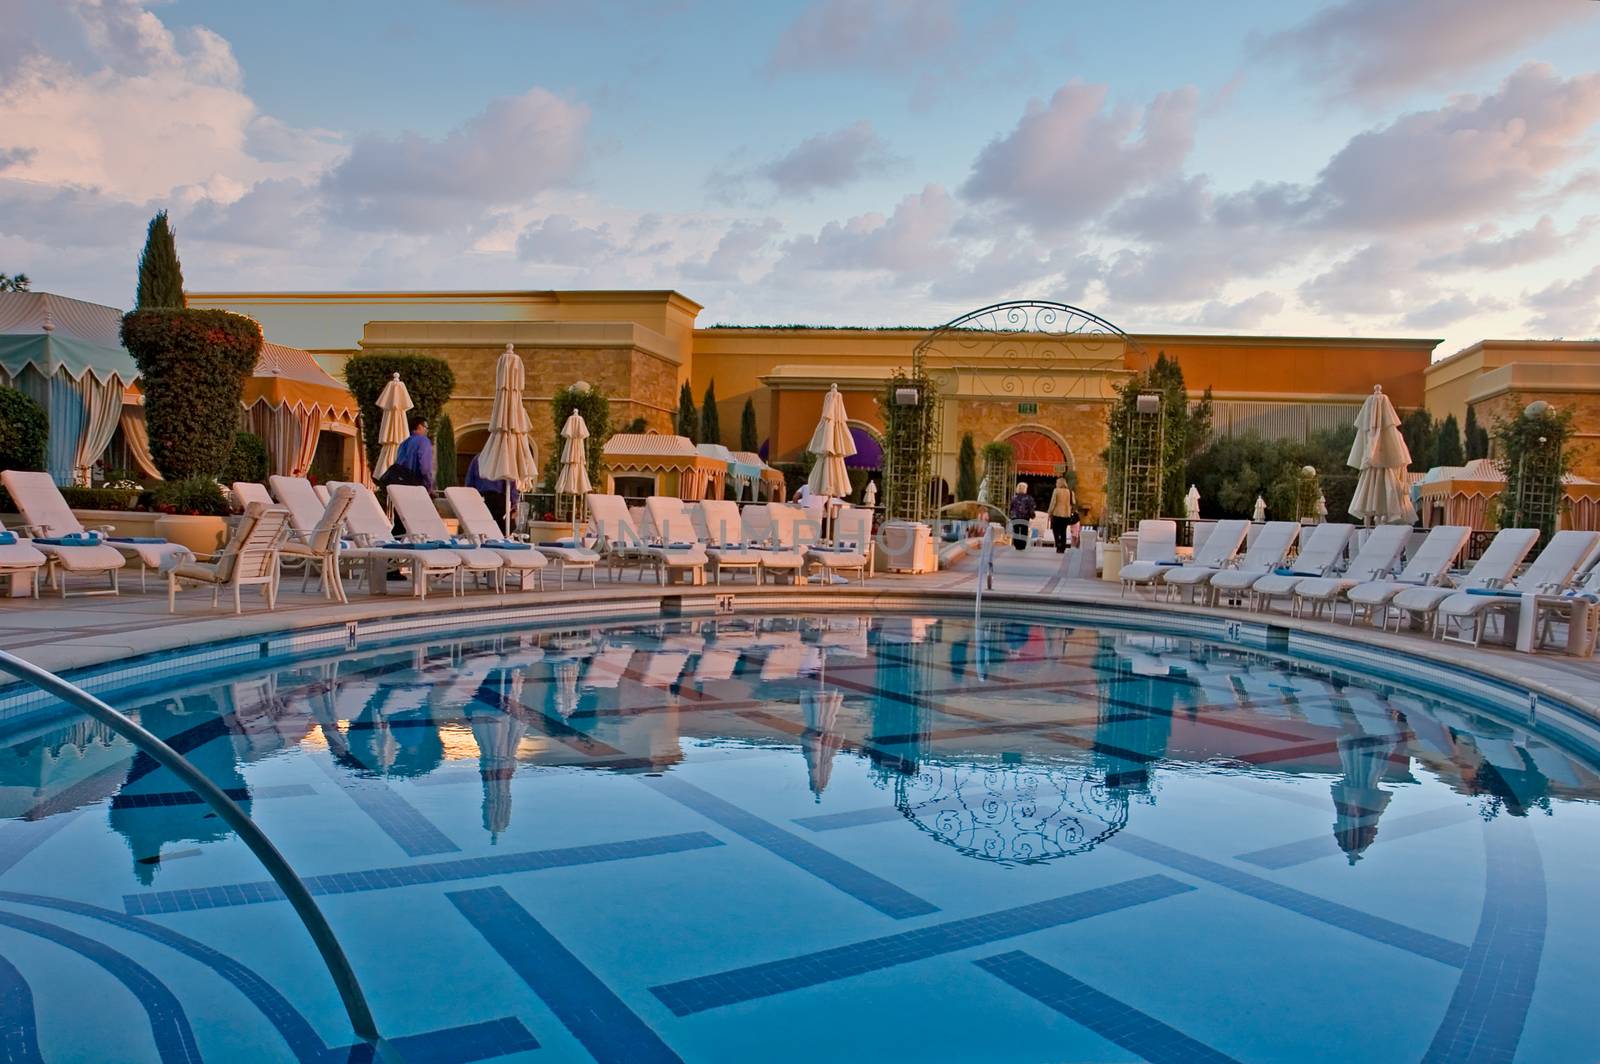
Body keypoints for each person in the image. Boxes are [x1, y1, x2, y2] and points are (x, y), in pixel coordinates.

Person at [465, 453, 518, 529]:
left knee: (483, 529)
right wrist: (514, 503)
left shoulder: (478, 459)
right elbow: (511, 483)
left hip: (481, 500)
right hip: (498, 500)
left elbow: (469, 483)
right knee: (503, 530)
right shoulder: (505, 460)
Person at [393, 416, 435, 493]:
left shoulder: (403, 443)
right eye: (426, 427)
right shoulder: (423, 441)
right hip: (417, 487)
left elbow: (398, 464)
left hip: (402, 487)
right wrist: (429, 486)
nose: (427, 430)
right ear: (419, 426)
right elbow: (425, 468)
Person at [1047, 476, 1076, 553]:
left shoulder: (1056, 491)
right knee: (1063, 531)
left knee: (1055, 530)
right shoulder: (1070, 492)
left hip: (1057, 514)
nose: (1056, 484)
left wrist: (1050, 512)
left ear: (1059, 483)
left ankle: (1058, 543)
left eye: (1057, 482)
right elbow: (1073, 502)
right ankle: (1062, 547)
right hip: (1066, 514)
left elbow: (1053, 503)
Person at [1008, 481, 1035, 551]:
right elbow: (1031, 507)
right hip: (1024, 517)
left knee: (1016, 531)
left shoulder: (1014, 497)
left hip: (1015, 517)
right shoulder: (1028, 498)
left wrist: (1010, 515)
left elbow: (1011, 507)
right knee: (1024, 531)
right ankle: (1022, 545)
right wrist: (1032, 515)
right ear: (1025, 489)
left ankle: (1017, 545)